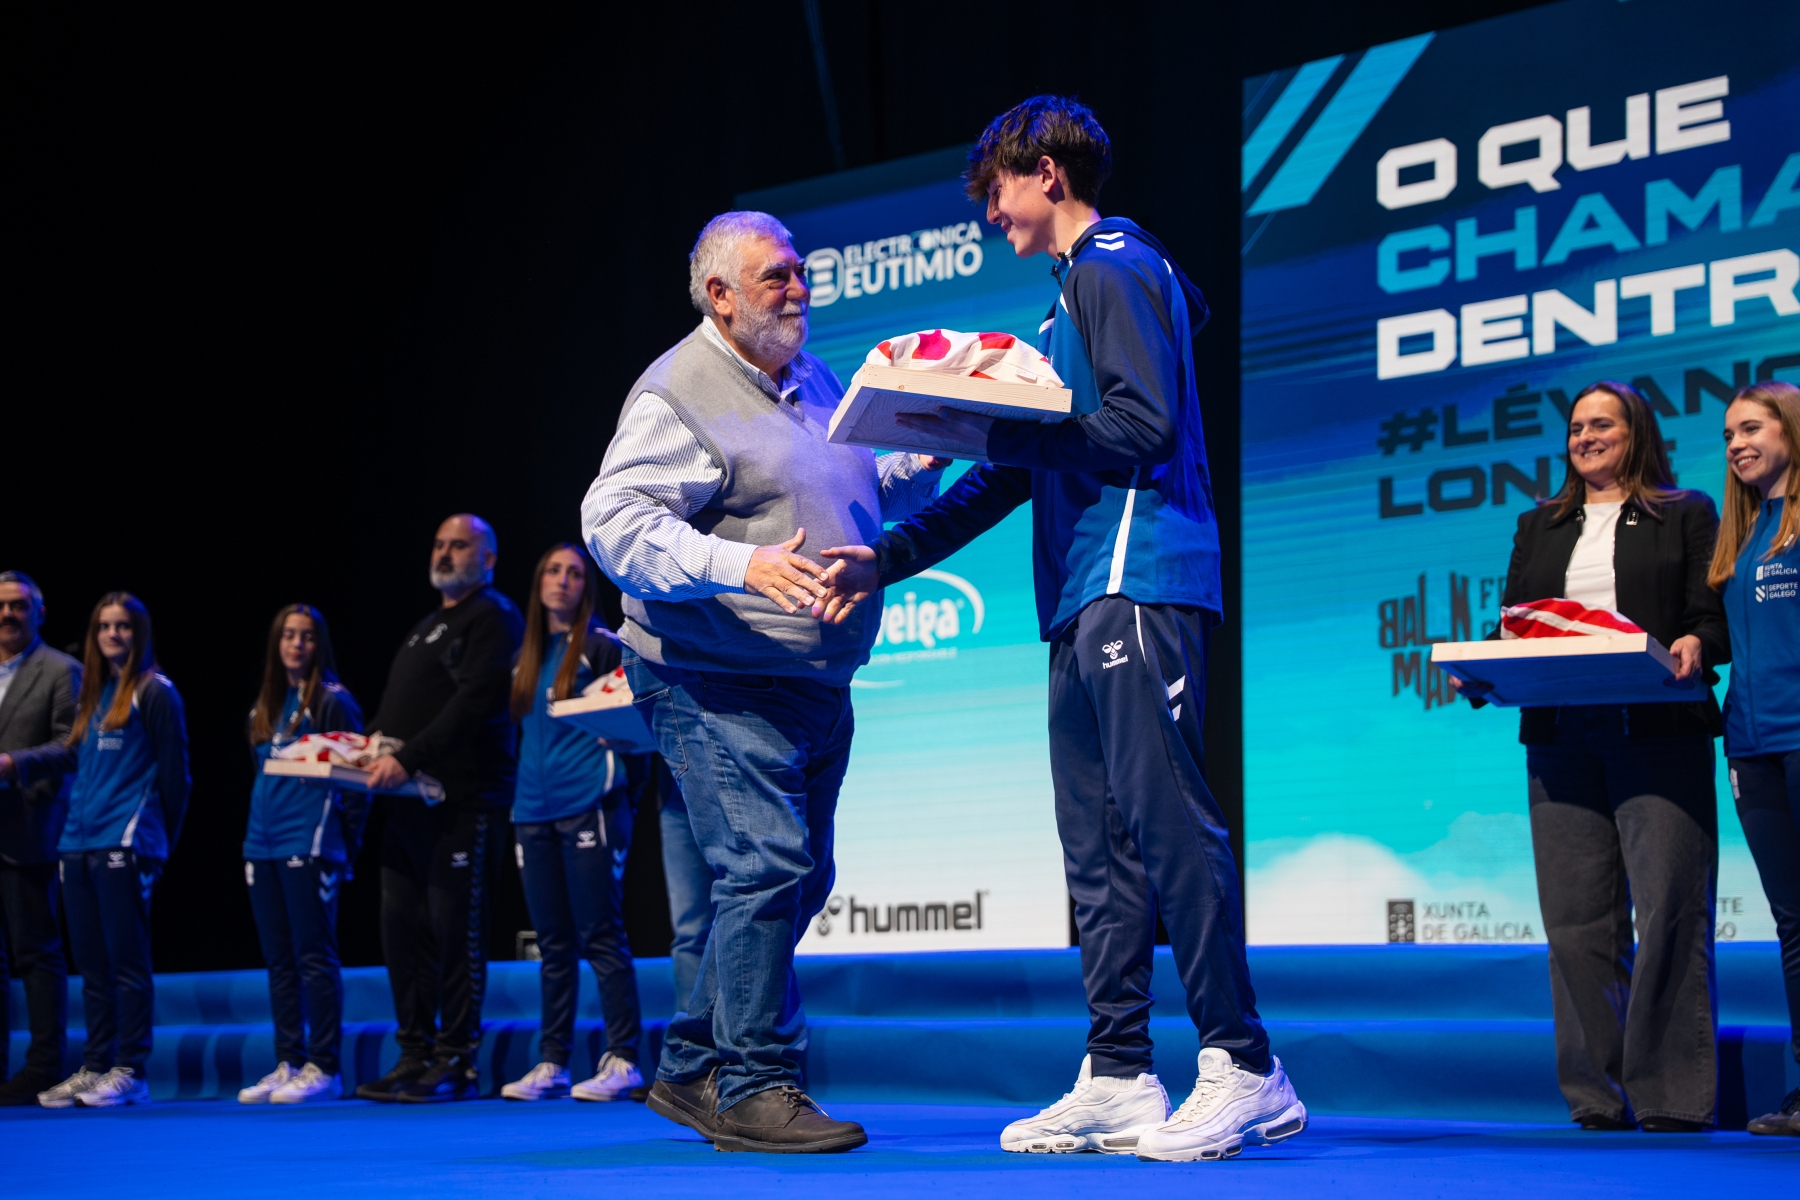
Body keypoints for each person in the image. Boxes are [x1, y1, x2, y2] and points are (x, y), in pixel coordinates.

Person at [816, 97, 1301, 1164]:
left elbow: (1143, 426)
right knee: (1098, 846)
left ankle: (1245, 1063)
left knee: (1167, 823)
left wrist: (988, 424)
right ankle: (1120, 1072)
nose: (990, 214)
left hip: (1140, 575)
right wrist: (889, 555)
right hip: (1081, 595)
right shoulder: (1064, 306)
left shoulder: (1114, 264)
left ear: (1046, 172)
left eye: (995, 191)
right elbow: (1011, 473)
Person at [581, 209, 947, 1153]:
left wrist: (925, 457)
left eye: (797, 270)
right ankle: (752, 1084)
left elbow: (864, 493)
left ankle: (690, 1066)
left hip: (815, 679)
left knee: (800, 875)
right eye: (774, 275)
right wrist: (740, 565)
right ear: (720, 295)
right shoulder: (679, 391)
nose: (797, 288)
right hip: (714, 676)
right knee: (766, 867)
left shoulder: (816, 379)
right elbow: (614, 521)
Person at [1453, 381, 1727, 1131]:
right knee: (1576, 924)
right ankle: (1597, 1096)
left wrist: (1697, 642)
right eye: (1576, 427)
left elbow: (1710, 617)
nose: (1585, 437)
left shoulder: (1686, 513)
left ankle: (1670, 1097)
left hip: (1659, 731)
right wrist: (1483, 667)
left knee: (1670, 912)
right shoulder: (1539, 523)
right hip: (1561, 738)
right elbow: (1517, 624)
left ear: (1637, 433)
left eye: (1602, 424)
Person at [354, 514, 524, 1103]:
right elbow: (394, 711)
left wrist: (408, 758)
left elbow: (474, 703)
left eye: (459, 545)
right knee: (401, 929)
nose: (445, 553)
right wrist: (356, 749)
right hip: (407, 805)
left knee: (455, 932)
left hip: (463, 802)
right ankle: (413, 1054)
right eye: (439, 544)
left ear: (488, 558)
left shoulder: (493, 616)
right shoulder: (424, 627)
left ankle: (456, 1059)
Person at [500, 544, 647, 1103]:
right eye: (553, 571)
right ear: (539, 583)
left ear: (587, 586)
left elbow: (640, 719)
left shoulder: (602, 645)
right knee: (553, 945)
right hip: (531, 812)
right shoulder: (526, 657)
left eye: (575, 573)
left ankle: (624, 1058)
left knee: (601, 935)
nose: (563, 580)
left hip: (591, 803)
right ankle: (553, 1062)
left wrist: (624, 785)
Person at [38, 593, 189, 1109]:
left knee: (126, 961)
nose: (112, 635)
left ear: (138, 633)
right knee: (92, 966)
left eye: (122, 626)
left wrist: (159, 843)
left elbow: (177, 777)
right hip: (76, 842)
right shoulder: (91, 693)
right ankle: (96, 1063)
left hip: (125, 842)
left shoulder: (156, 692)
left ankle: (131, 1069)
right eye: (104, 626)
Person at [1709, 379, 1800, 1137]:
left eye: (1751, 428)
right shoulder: (1741, 535)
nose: (1737, 444)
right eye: (1730, 435)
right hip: (1751, 747)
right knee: (1793, 923)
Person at [236, 604, 365, 1105]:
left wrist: (345, 847)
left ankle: (324, 1066)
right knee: (279, 960)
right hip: (261, 844)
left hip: (310, 844)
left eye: (306, 636)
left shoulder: (333, 702)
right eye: (288, 635)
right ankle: (288, 1061)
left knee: (314, 956)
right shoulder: (265, 706)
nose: (296, 644)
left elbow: (356, 779)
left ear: (319, 644)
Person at [0, 572, 80, 1105]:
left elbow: (72, 746)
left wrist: (14, 763)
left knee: (36, 953)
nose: (8, 614)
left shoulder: (60, 669)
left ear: (39, 613)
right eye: (2, 605)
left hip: (29, 831)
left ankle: (44, 1065)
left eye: (19, 605)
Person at [657, 761, 713, 1009]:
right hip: (678, 798)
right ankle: (694, 1030)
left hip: (739, 791)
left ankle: (748, 1029)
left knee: (751, 914)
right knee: (690, 932)